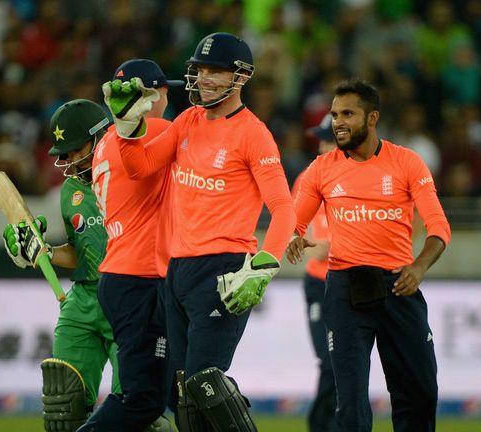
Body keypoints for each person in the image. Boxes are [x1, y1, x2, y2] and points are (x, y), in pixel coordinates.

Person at [102, 32, 296, 431]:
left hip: (223, 271)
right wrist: (127, 126)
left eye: (216, 71)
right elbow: (141, 166)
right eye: (201, 69)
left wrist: (264, 264)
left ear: (240, 78)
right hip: (177, 272)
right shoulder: (188, 120)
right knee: (183, 396)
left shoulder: (253, 133)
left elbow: (283, 209)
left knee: (204, 382)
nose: (205, 78)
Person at [287, 78, 451, 432]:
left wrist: (419, 268)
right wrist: (293, 238)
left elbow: (439, 228)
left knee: (420, 393)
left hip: (399, 286)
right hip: (346, 288)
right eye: (334, 114)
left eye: (348, 113)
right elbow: (294, 222)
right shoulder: (320, 169)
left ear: (372, 118)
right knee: (350, 405)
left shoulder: (407, 163)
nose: (337, 122)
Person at [76, 58, 182, 432]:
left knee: (179, 392)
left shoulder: (106, 142)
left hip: (125, 274)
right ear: (151, 94)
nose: (168, 96)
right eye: (163, 89)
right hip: (142, 276)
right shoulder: (156, 129)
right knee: (143, 400)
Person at [2, 98, 120, 432]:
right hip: (82, 300)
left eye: (72, 150)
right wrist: (42, 251)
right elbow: (80, 251)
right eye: (62, 154)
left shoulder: (134, 176)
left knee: (137, 408)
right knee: (62, 408)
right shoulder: (69, 190)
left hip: (131, 295)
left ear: (100, 137)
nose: (67, 161)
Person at [291, 114, 337, 432]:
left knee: (341, 361)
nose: (321, 146)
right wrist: (308, 246)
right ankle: (322, 425)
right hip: (319, 281)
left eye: (327, 139)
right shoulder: (308, 177)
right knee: (331, 359)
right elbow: (291, 227)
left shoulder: (363, 178)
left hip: (348, 281)